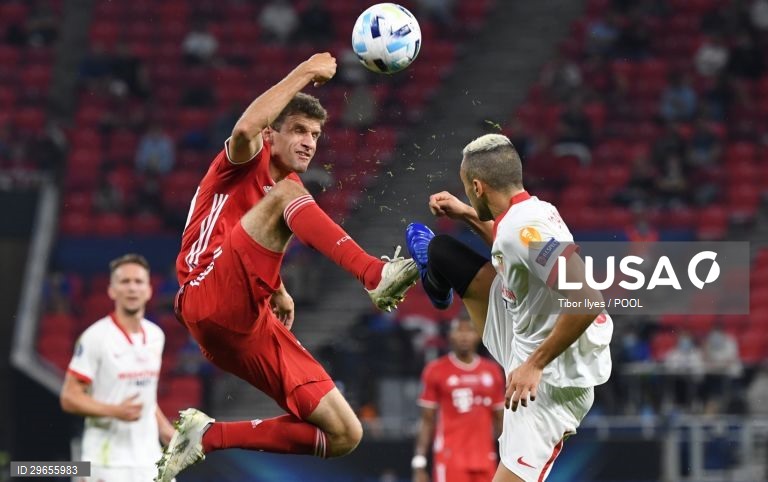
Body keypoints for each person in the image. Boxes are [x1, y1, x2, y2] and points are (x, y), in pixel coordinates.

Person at [155, 52, 418, 481]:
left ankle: (207, 437)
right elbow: (243, 129)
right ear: (269, 135)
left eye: (315, 135)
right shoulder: (242, 162)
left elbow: (251, 242)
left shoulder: (286, 188)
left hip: (245, 322)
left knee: (344, 433)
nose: (309, 142)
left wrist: (276, 288)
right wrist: (307, 72)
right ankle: (375, 274)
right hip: (204, 294)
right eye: (297, 130)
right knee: (283, 196)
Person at [405, 133, 613, 482]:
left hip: (548, 383)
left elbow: (588, 299)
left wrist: (534, 364)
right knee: (442, 250)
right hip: (523, 330)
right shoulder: (532, 211)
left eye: (467, 190)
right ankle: (436, 282)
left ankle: (436, 283)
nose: (468, 194)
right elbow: (511, 248)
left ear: (477, 185)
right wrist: (468, 215)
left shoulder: (525, 228)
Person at [60, 254, 175, 482]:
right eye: (125, 282)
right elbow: (69, 398)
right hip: (106, 461)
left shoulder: (155, 335)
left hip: (149, 458)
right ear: (112, 290)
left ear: (149, 290)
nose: (132, 288)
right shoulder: (95, 337)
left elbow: (146, 395)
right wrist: (116, 411)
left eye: (138, 281)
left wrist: (163, 428)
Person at [413, 315, 504, 482]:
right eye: (459, 330)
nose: (464, 336)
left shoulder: (493, 371)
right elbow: (427, 420)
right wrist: (419, 461)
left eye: (469, 330)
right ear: (450, 335)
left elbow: (500, 420)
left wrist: (510, 457)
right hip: (450, 458)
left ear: (478, 335)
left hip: (485, 458)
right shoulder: (435, 370)